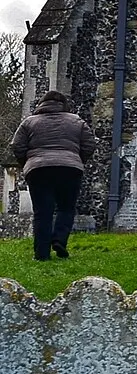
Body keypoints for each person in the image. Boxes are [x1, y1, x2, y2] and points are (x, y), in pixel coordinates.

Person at [10, 90, 97, 261]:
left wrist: (27, 162)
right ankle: (59, 240)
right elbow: (89, 145)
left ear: (41, 104)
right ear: (64, 105)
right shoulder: (77, 121)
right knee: (66, 208)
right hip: (70, 169)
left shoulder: (29, 122)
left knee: (43, 213)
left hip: (38, 169)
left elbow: (17, 146)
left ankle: (41, 254)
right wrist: (77, 160)